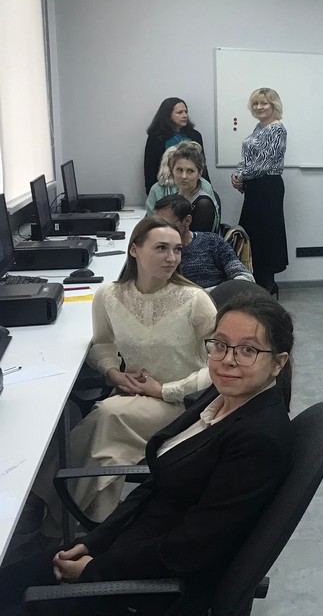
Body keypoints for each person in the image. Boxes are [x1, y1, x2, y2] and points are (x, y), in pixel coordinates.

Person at [1, 292, 293, 616]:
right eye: (220, 345)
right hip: (125, 549)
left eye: (248, 350)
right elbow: (155, 485)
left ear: (278, 363)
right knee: (9, 581)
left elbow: (192, 548)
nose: (227, 360)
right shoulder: (223, 394)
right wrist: (92, 542)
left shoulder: (259, 440)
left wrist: (94, 569)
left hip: (147, 589)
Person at [31, 217, 217, 536]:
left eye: (177, 250)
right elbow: (102, 345)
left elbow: (221, 365)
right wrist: (113, 373)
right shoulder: (109, 296)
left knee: (107, 413)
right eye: (161, 248)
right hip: (133, 397)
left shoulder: (194, 300)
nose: (171, 258)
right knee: (107, 449)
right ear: (135, 250)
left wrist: (166, 390)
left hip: (185, 405)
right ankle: (93, 528)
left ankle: (52, 513)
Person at [231, 87, 288, 296]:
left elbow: (264, 163)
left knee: (267, 234)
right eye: (255, 103)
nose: (259, 107)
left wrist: (241, 176)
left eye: (264, 103)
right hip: (255, 187)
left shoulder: (277, 129)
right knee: (252, 234)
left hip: (268, 187)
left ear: (274, 106)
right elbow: (247, 159)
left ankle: (268, 285)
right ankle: (256, 282)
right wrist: (238, 175)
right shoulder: (259, 127)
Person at [154, 194, 255, 289]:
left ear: (187, 221)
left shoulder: (212, 242)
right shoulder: (156, 250)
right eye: (157, 224)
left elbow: (245, 278)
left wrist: (207, 294)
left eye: (168, 223)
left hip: (218, 298)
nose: (161, 229)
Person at [144, 141, 220, 232]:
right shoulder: (176, 197)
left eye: (190, 171)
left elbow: (199, 240)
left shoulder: (204, 204)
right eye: (179, 170)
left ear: (199, 173)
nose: (184, 176)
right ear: (172, 171)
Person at [143, 97, 208, 194]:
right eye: (179, 112)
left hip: (193, 188)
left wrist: (208, 188)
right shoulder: (156, 138)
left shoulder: (195, 135)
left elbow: (202, 165)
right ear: (168, 115)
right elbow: (150, 170)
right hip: (166, 189)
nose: (185, 115)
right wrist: (152, 194)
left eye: (186, 112)